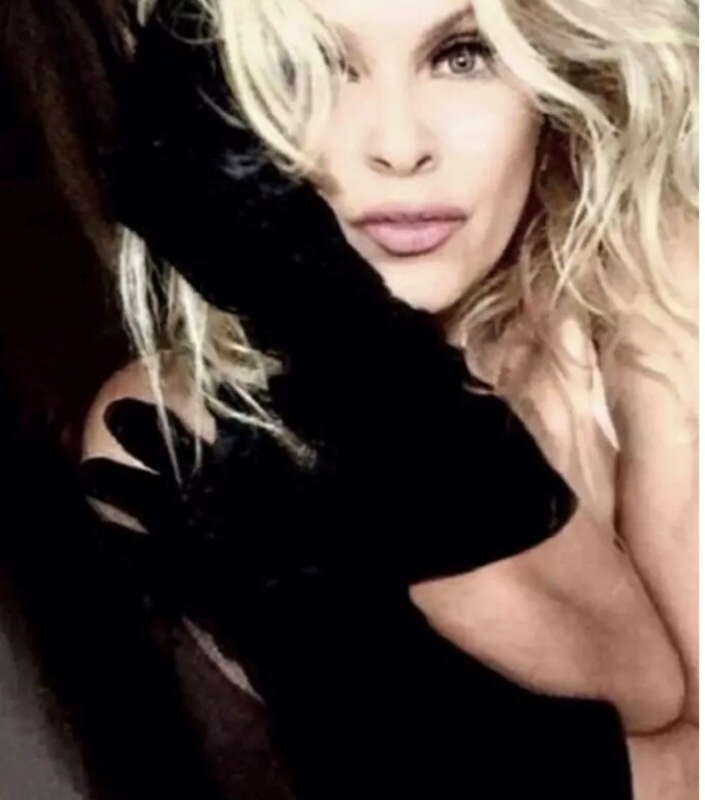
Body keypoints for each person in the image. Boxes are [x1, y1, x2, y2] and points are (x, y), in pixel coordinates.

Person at [82, 0, 698, 796]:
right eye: (316, 67)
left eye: (464, 56)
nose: (400, 148)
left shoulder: (662, 293)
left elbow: (658, 694)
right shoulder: (171, 429)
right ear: (215, 101)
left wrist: (343, 334)